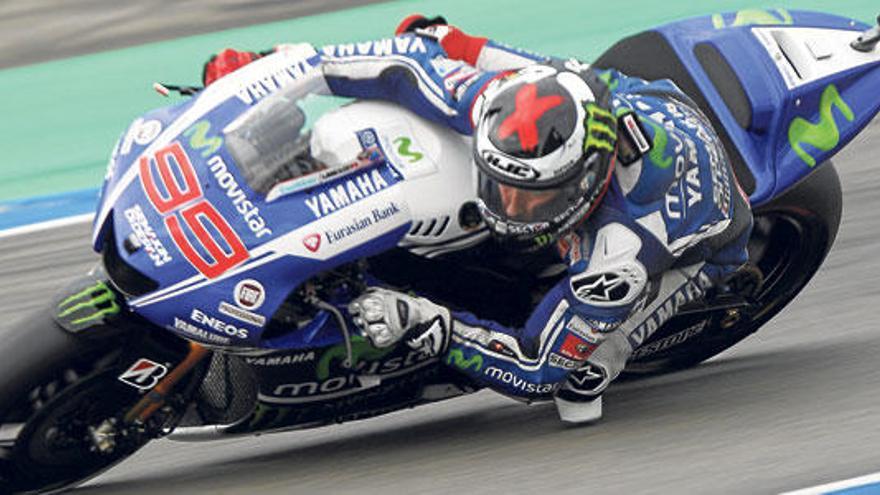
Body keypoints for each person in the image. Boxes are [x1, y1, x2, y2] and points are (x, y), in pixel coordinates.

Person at [202, 14, 753, 423]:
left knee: (577, 381)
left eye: (529, 198)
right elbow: (402, 66)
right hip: (624, 95)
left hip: (707, 237)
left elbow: (534, 370)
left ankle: (614, 345)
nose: (508, 206)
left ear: (585, 184)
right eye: (501, 184)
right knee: (437, 41)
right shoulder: (497, 104)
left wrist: (430, 325)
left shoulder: (619, 254)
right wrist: (267, 71)